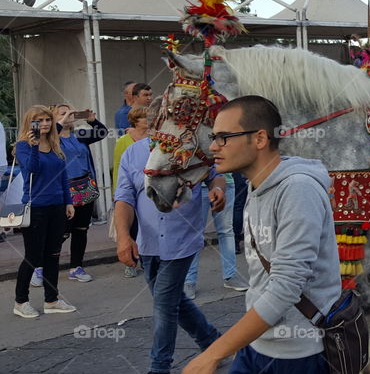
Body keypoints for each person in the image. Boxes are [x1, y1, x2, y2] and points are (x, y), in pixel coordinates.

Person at [183, 95, 341, 374]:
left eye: (223, 138)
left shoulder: (297, 189)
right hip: (257, 344)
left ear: (259, 139)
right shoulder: (257, 186)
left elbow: (284, 287)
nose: (212, 147)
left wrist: (213, 353)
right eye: (213, 137)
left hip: (298, 356)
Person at [114, 113, 227, 374]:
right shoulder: (132, 153)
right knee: (174, 300)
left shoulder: (193, 150)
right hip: (148, 242)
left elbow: (215, 176)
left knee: (164, 304)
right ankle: (213, 342)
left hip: (182, 241)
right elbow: (124, 198)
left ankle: (159, 367)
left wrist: (218, 190)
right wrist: (123, 237)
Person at [13, 105, 77, 319]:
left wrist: (68, 201)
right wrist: (33, 146)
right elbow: (32, 170)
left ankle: (52, 299)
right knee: (32, 256)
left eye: (47, 119)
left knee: (53, 255)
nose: (45, 124)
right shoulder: (23, 146)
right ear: (30, 123)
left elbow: (62, 176)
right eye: (39, 120)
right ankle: (21, 301)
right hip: (36, 207)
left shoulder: (54, 143)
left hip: (57, 206)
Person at [46, 104, 107, 284]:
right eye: (63, 113)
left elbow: (101, 132)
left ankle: (76, 267)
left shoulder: (79, 136)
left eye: (71, 113)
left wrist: (92, 120)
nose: (69, 116)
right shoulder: (51, 138)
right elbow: (51, 135)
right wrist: (59, 123)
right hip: (64, 191)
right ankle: (41, 266)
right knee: (61, 232)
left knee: (81, 230)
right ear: (54, 118)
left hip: (85, 186)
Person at [183, 172, 249, 300]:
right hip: (197, 184)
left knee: (226, 231)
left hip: (226, 182)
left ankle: (230, 276)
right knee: (195, 234)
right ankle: (188, 281)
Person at [112, 106, 149, 278]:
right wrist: (116, 192)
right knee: (132, 226)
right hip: (129, 188)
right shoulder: (123, 141)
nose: (147, 120)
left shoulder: (153, 139)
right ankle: (131, 262)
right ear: (136, 121)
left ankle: (145, 256)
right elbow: (118, 167)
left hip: (146, 190)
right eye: (143, 118)